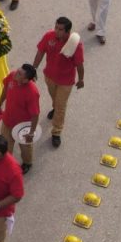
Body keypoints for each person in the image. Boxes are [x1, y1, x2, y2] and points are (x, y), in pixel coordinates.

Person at [31, 17, 84, 147]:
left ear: (67, 32)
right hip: (49, 77)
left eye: (60, 29)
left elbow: (79, 65)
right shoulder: (48, 36)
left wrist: (81, 79)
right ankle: (55, 108)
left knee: (61, 106)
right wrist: (33, 69)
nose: (56, 31)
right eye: (56, 27)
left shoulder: (75, 44)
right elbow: (40, 52)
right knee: (55, 98)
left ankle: (56, 132)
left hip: (65, 82)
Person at [0, 63, 40, 172]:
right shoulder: (12, 76)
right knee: (5, 146)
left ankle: (27, 163)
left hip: (22, 127)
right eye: (18, 70)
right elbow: (5, 89)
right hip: (7, 121)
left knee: (25, 147)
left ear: (25, 80)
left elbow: (35, 115)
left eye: (20, 74)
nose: (16, 73)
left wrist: (31, 133)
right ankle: (7, 164)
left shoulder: (32, 92)